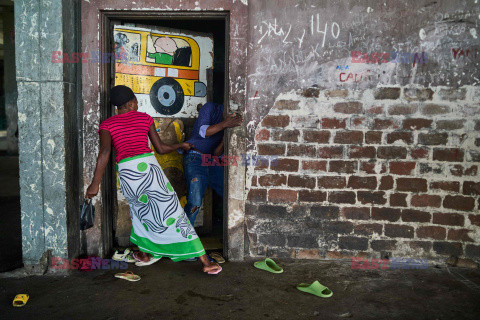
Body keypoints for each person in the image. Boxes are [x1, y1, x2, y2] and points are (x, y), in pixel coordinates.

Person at [85, 85, 221, 274]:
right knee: (174, 213)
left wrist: (95, 183)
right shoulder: (144, 118)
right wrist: (181, 144)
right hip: (149, 170)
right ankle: (205, 261)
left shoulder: (107, 125)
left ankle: (147, 253)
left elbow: (105, 152)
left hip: (128, 174)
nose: (137, 104)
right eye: (136, 101)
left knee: (141, 215)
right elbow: (161, 148)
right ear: (131, 102)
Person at [183, 102, 242, 226]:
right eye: (231, 111)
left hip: (210, 160)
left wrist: (223, 141)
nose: (232, 114)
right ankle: (182, 237)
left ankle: (227, 229)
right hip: (195, 157)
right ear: (225, 107)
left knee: (228, 194)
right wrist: (225, 124)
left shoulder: (227, 126)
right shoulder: (210, 108)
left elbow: (216, 154)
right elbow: (203, 132)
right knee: (195, 201)